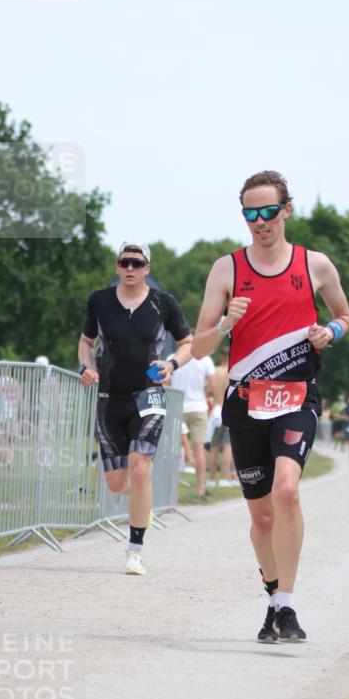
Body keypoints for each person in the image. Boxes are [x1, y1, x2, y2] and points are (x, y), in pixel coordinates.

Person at [191, 170, 349, 643]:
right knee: (261, 517)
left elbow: (346, 315)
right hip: (244, 402)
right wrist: (224, 323)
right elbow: (198, 347)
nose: (259, 222)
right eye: (250, 214)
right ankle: (273, 602)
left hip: (297, 396)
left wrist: (332, 332)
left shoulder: (315, 265)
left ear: (287, 210)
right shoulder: (227, 270)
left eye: (267, 211)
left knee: (287, 493)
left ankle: (288, 603)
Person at [78, 241, 193, 574]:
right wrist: (86, 367)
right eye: (124, 262)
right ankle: (143, 498)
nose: (130, 268)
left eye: (137, 263)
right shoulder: (99, 301)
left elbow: (187, 343)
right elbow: (86, 343)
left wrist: (172, 364)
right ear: (117, 266)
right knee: (117, 483)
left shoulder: (164, 303)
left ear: (147, 268)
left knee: (141, 467)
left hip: (148, 394)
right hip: (110, 397)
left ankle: (134, 552)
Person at [170, 353, 216, 498]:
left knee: (173, 448)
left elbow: (164, 381)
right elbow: (212, 385)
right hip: (198, 406)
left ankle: (171, 489)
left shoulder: (173, 357)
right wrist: (203, 392)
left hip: (178, 405)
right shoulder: (205, 359)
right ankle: (200, 487)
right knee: (199, 448)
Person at [206, 345, 236, 487]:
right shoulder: (232, 373)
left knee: (214, 445)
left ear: (220, 357)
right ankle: (224, 478)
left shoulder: (216, 371)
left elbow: (207, 389)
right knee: (228, 445)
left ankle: (211, 478)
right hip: (228, 410)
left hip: (216, 410)